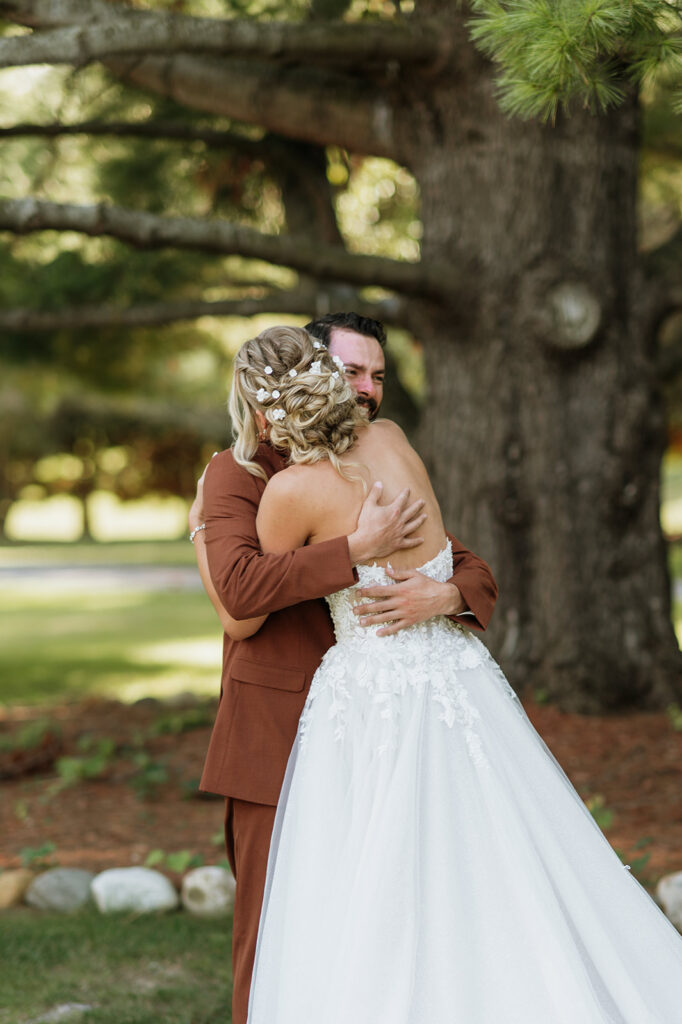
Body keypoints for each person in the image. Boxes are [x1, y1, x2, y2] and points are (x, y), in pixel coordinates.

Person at [224, 326, 682, 1024]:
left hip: (371, 693)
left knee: (374, 874)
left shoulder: (290, 491)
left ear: (262, 413)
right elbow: (437, 548)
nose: (369, 388)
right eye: (357, 373)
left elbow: (242, 610)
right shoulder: (392, 442)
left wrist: (205, 535)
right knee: (497, 853)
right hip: (458, 680)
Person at [190, 313, 498, 1024]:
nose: (365, 390)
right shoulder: (235, 475)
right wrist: (352, 548)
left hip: (388, 724)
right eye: (352, 372)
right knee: (275, 934)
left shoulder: (375, 452)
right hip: (277, 733)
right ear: (311, 370)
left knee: (396, 921)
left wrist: (445, 592)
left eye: (378, 376)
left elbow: (459, 559)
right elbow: (238, 595)